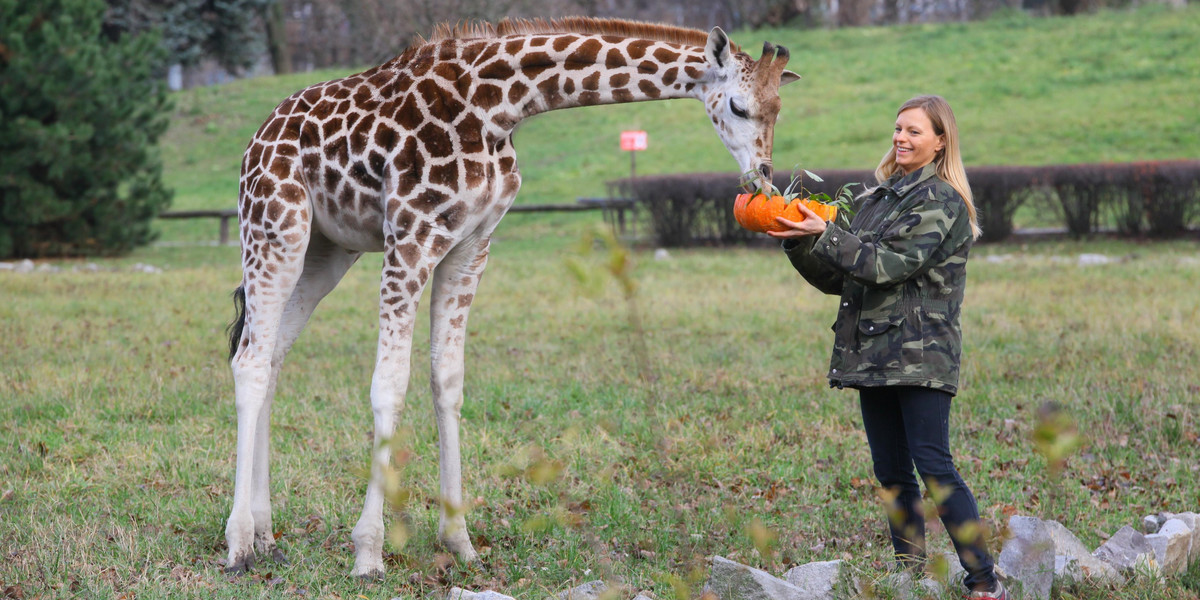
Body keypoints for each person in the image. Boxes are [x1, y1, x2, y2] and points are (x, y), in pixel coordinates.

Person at [768, 95, 1007, 600]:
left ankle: (984, 582)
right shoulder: (879, 199)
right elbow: (841, 278)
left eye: (914, 131)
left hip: (921, 356)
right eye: (898, 128)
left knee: (934, 467)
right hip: (873, 355)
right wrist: (800, 240)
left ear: (940, 141)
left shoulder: (940, 200)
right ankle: (910, 577)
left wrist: (827, 232)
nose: (901, 137)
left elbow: (890, 265)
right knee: (892, 474)